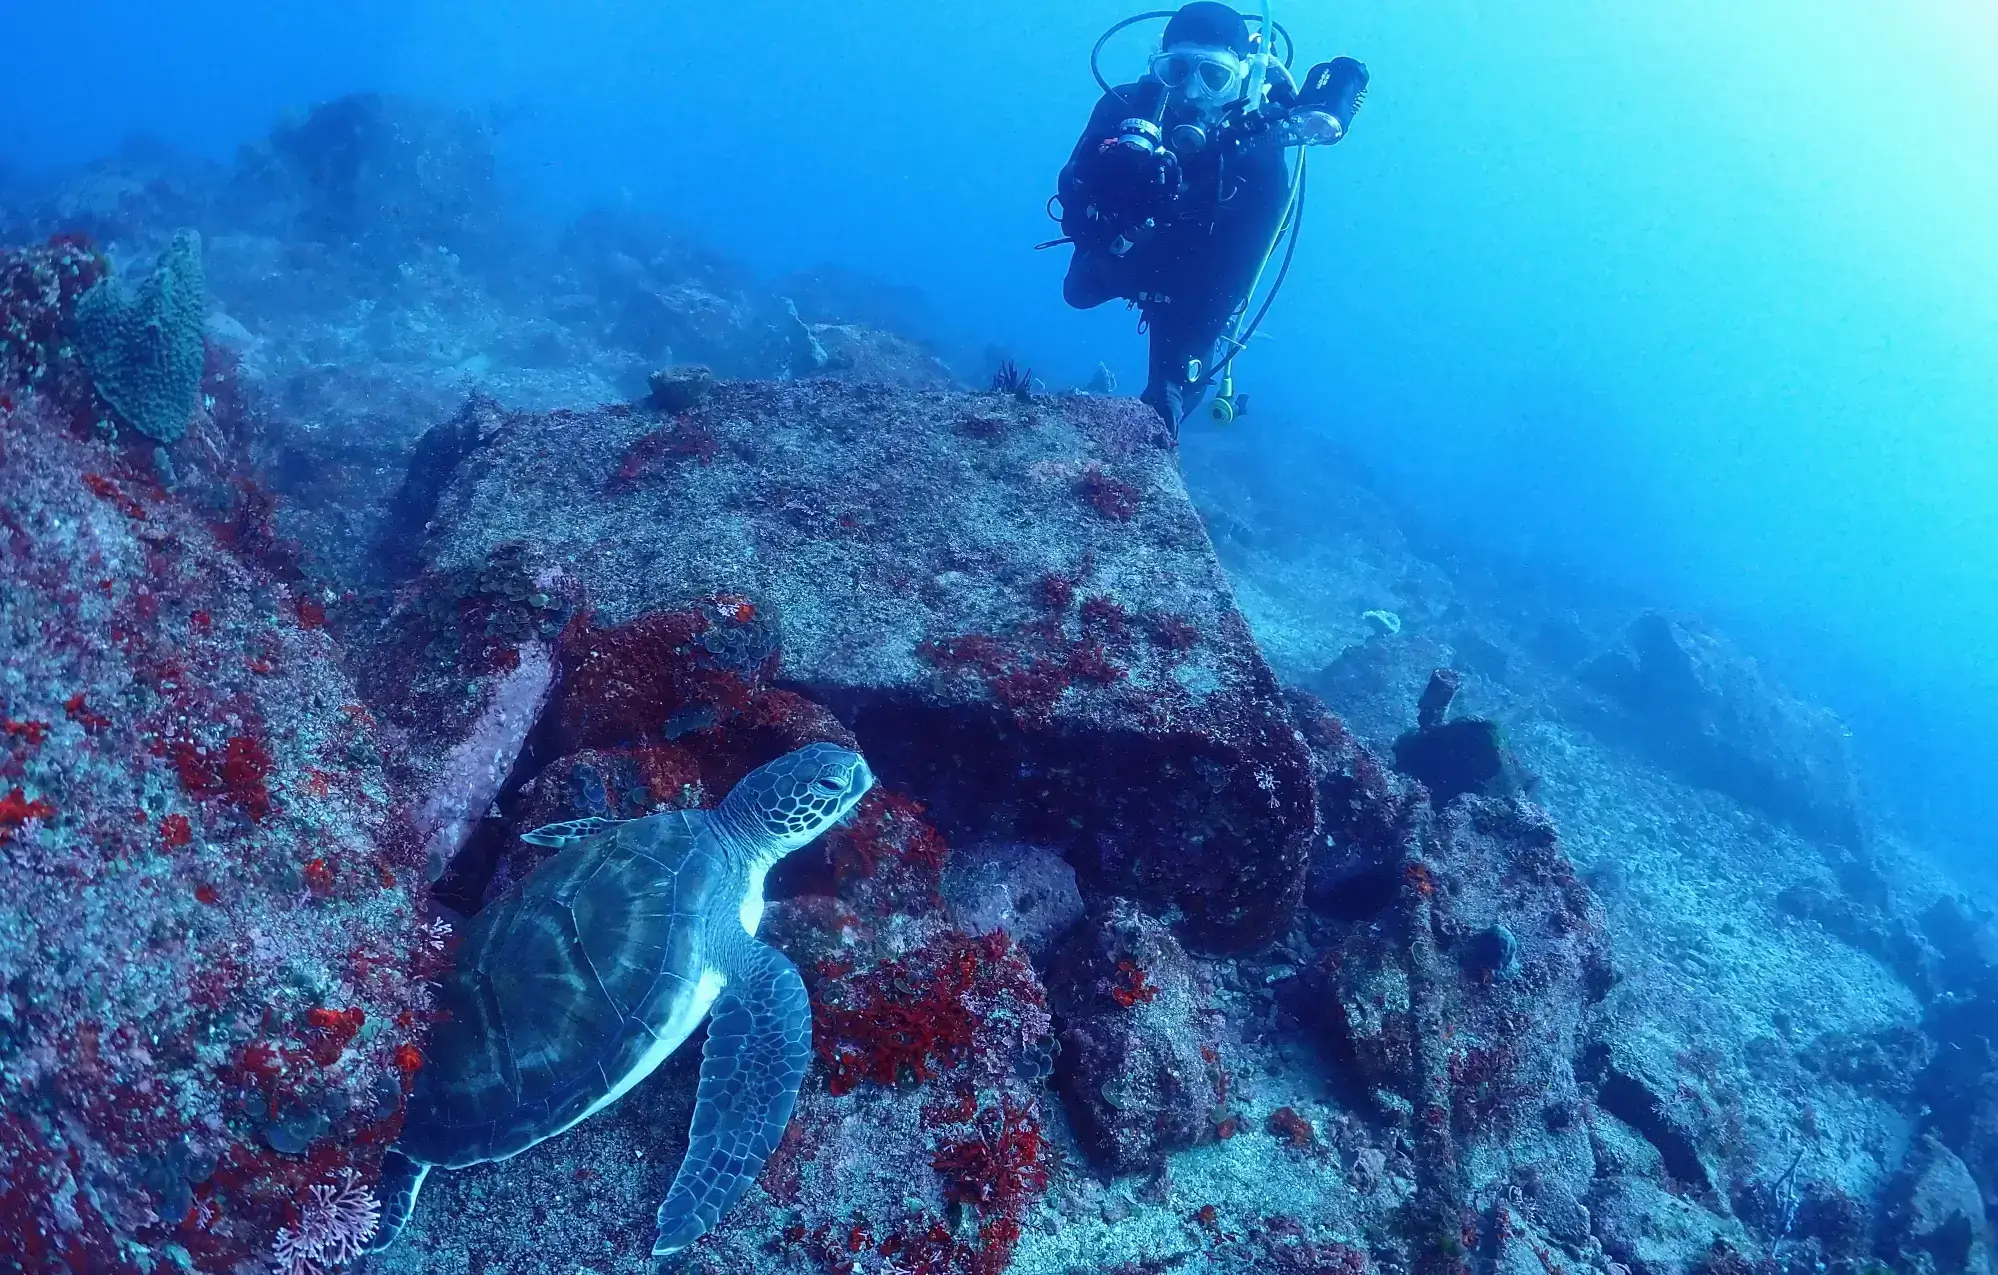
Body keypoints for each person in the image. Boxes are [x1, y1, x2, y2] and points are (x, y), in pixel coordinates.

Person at [1056, 3, 1366, 431]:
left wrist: (1185, 202)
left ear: (1239, 77)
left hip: (1197, 289)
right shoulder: (1121, 109)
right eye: (1176, 71)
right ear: (1156, 70)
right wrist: (1116, 188)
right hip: (1123, 250)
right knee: (1079, 291)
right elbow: (1073, 201)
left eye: (1214, 75)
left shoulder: (1259, 152)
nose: (1193, 91)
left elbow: (1244, 270)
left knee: (1172, 396)